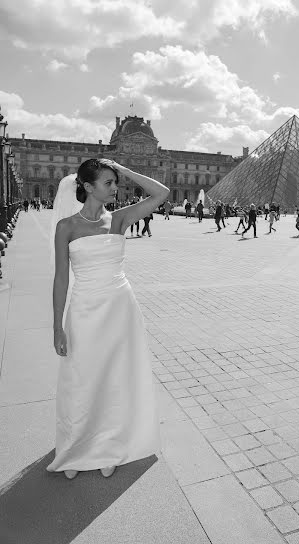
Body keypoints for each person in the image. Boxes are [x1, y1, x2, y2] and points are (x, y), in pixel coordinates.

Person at [48, 158, 169, 480]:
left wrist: (124, 170)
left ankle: (108, 444)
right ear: (87, 187)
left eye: (115, 183)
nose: (115, 188)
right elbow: (61, 279)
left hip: (120, 308)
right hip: (84, 309)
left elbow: (161, 193)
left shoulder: (118, 219)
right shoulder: (67, 227)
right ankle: (75, 446)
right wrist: (57, 326)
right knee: (81, 377)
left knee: (115, 378)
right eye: (108, 183)